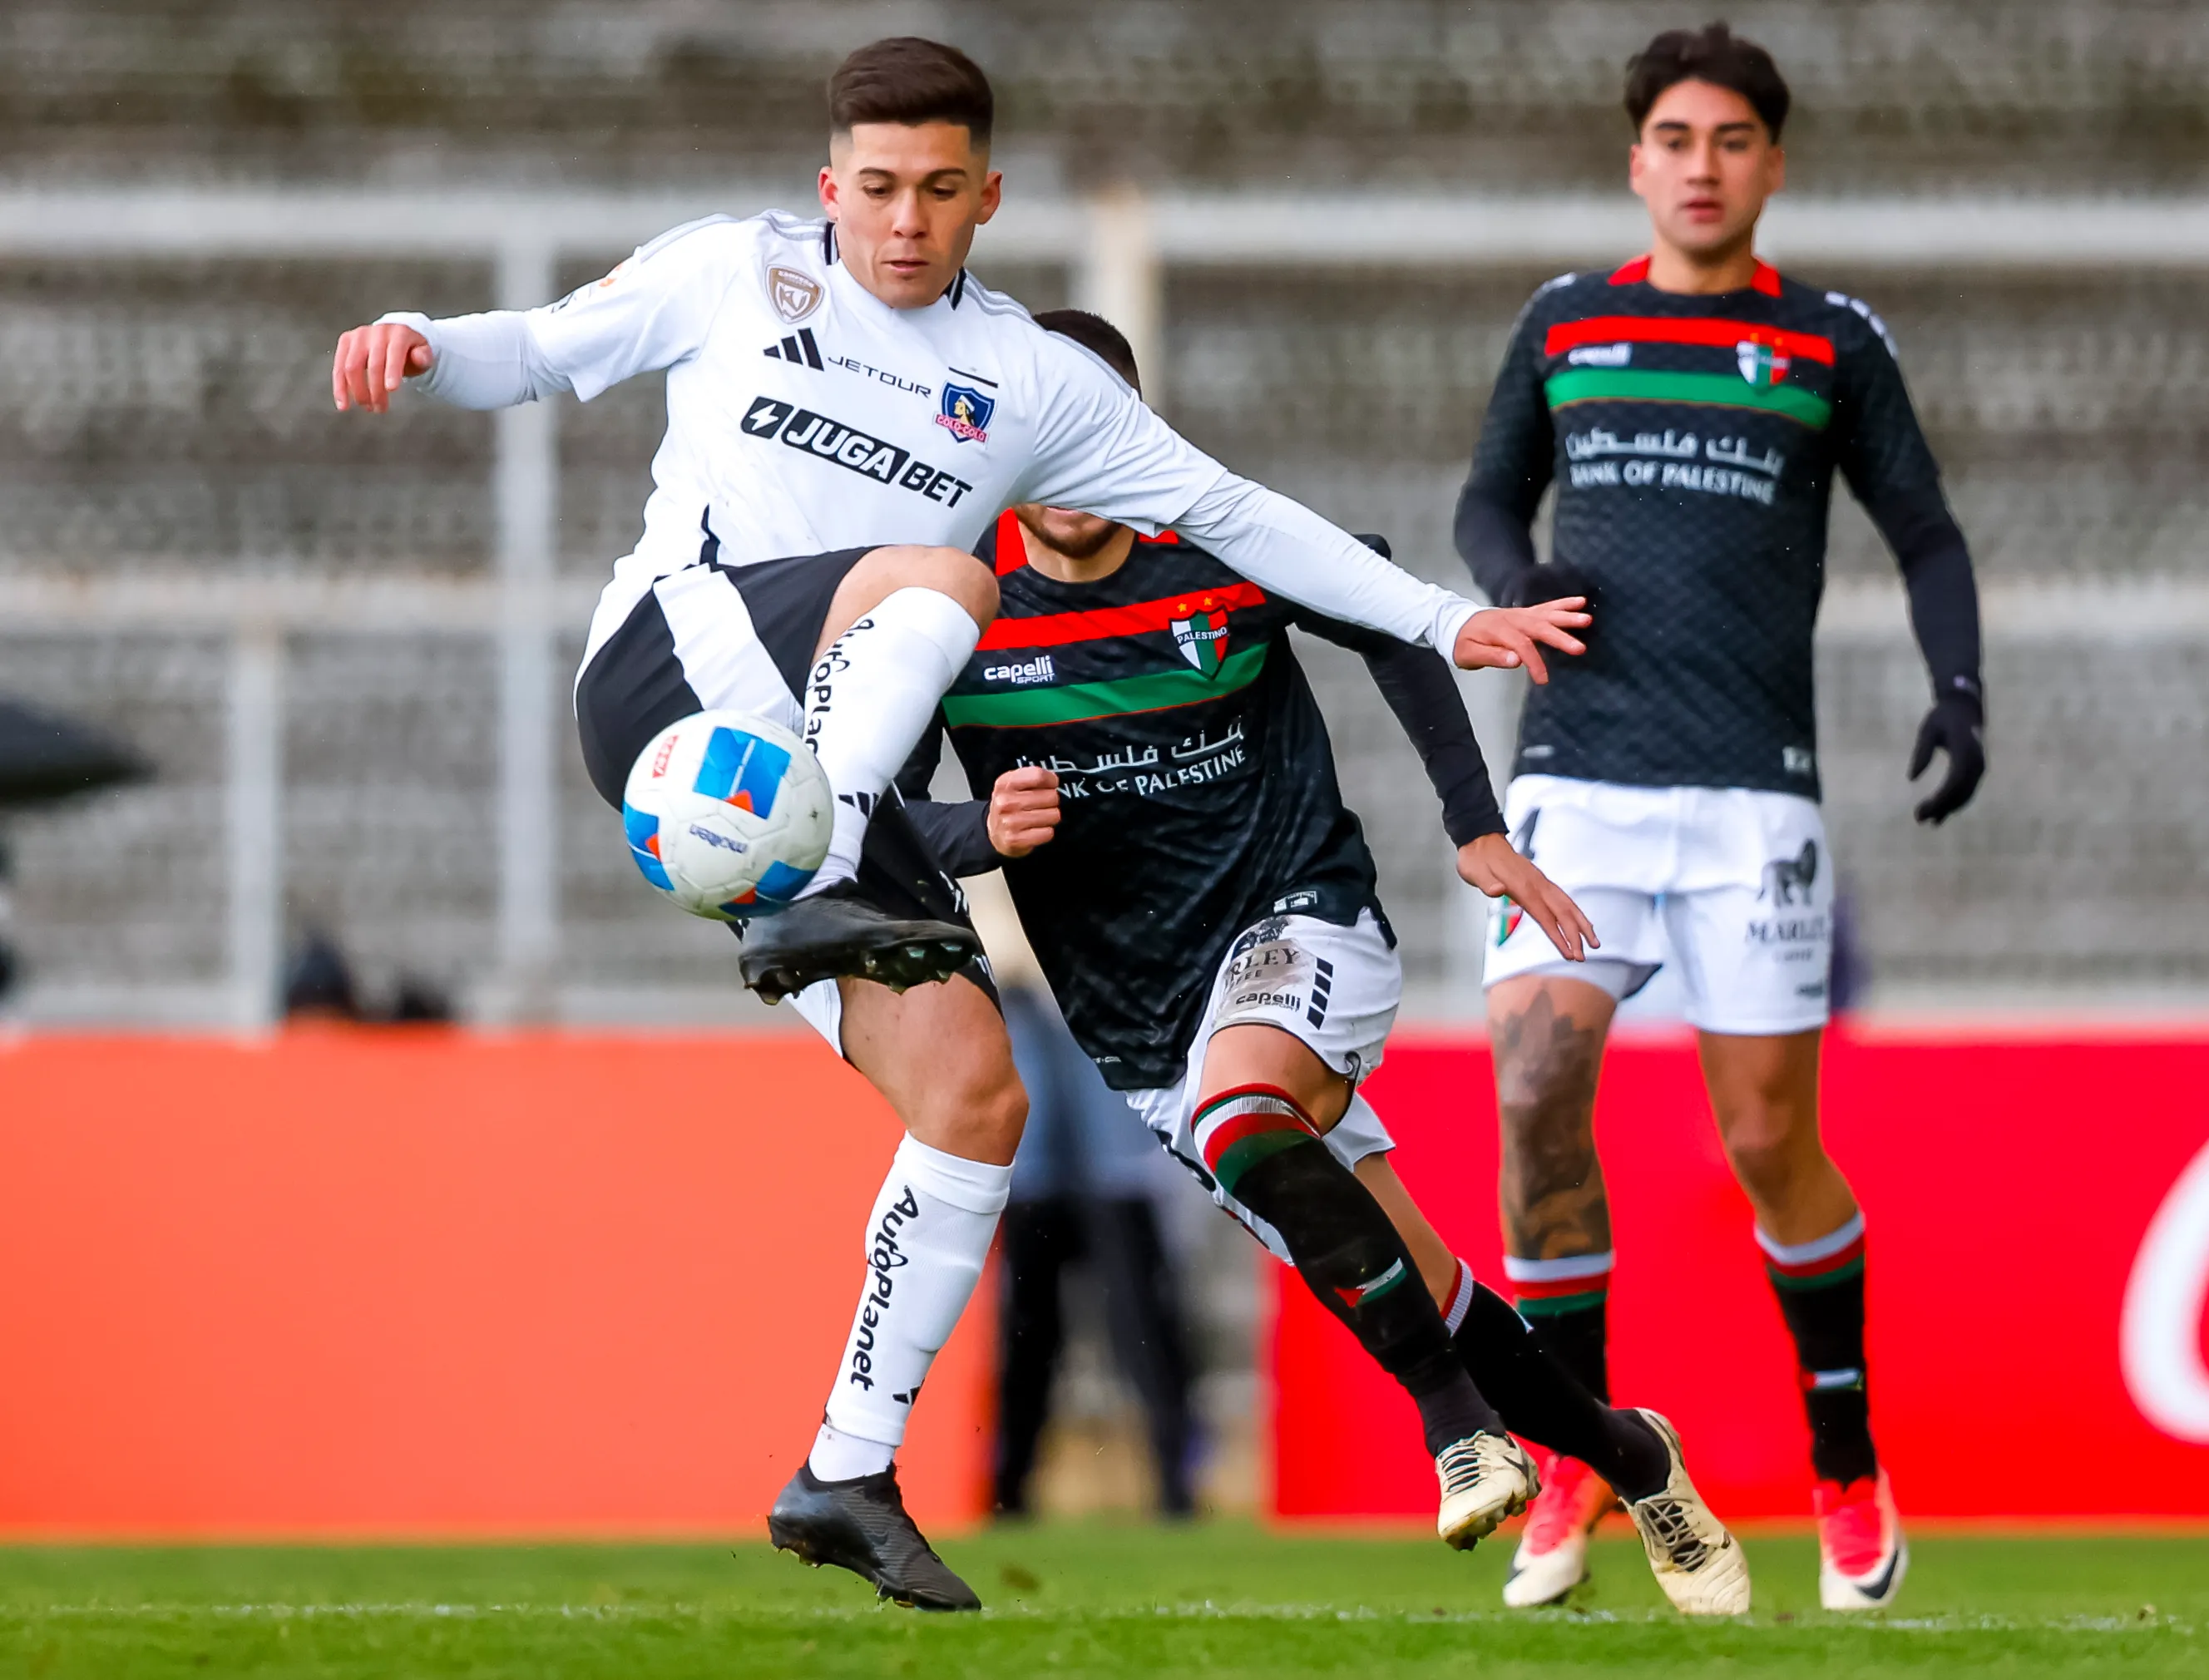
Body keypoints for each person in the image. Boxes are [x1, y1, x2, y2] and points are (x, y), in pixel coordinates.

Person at [327, 37, 1587, 1613]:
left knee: (976, 1099)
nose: (902, 223)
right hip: (674, 688)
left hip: (783, 815)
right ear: (825, 187)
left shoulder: (1034, 385)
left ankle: (844, 1470)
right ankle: (835, 867)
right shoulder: (739, 276)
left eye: (937, 191)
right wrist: (417, 340)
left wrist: (1437, 615)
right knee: (948, 582)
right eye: (873, 190)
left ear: (987, 195)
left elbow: (1233, 512)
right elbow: (546, 345)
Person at [903, 308, 1754, 1614]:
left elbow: (1394, 618)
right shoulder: (947, 600)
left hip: (1301, 918)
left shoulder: (1223, 540)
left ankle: (1454, 1429)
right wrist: (974, 828)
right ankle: (1634, 1456)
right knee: (1420, 1275)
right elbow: (871, 809)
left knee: (1246, 1108)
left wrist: (1475, 825)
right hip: (1133, 1020)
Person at [1455, 24, 1985, 1612]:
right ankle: (1583, 1459)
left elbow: (1929, 533)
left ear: (1771, 161)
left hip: (1754, 795)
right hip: (1579, 783)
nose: (1702, 165)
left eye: (1732, 140)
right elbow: (1490, 498)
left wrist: (1959, 692)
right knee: (1535, 1092)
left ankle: (1843, 1462)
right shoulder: (1568, 322)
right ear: (1638, 160)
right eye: (1675, 139)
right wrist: (1508, 583)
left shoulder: (1831, 340)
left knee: (1767, 1140)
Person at [991, 969, 1199, 1520]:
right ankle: (1008, 1484)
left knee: (1138, 1321)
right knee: (1029, 1328)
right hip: (1051, 1152)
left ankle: (1176, 1481)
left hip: (1109, 1155)